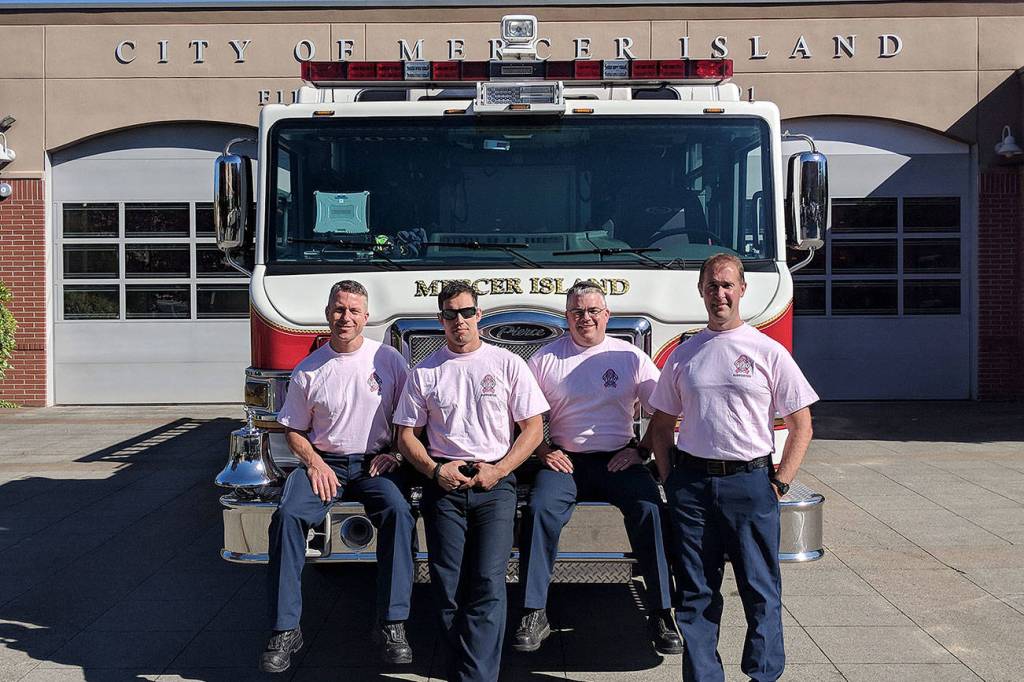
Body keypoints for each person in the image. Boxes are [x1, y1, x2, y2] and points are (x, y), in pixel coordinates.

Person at [648, 254, 818, 682]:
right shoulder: (685, 354)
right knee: (696, 594)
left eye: (727, 285)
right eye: (711, 286)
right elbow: (662, 424)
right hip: (692, 488)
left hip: (751, 484)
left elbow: (802, 425)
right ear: (701, 292)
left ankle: (763, 674)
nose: (719, 294)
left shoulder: (767, 351)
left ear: (742, 289)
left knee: (760, 590)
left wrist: (779, 483)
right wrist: (672, 480)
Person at [513, 280, 683, 655]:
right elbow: (522, 416)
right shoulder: (545, 359)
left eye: (592, 311)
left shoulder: (629, 357)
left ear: (607, 315)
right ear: (566, 317)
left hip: (618, 459)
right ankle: (533, 611)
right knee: (539, 510)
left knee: (650, 510)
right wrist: (542, 451)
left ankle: (662, 611)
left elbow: (663, 409)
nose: (584, 318)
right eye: (576, 311)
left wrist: (640, 451)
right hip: (564, 462)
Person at [394, 281, 548, 682]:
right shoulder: (424, 371)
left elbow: (532, 429)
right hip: (443, 483)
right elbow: (406, 435)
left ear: (479, 315)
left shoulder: (508, 363)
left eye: (466, 312)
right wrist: (433, 471)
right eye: (450, 314)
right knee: (447, 587)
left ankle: (478, 676)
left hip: (494, 484)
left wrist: (500, 470)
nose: (458, 321)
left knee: (487, 583)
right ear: (440, 319)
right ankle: (460, 668)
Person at [260, 280, 416, 673]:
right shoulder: (309, 369)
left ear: (366, 317)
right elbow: (293, 429)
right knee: (288, 518)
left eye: (354, 311)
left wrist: (396, 454)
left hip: (374, 464)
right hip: (324, 464)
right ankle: (285, 629)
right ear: (328, 312)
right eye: (339, 309)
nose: (345, 317)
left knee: (399, 513)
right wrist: (314, 463)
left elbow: (410, 420)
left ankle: (392, 624)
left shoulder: (390, 361)